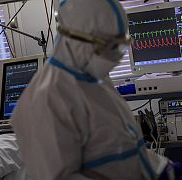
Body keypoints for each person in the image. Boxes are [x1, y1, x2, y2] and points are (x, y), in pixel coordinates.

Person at [11, 0, 169, 179]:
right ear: (73, 38)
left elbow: (126, 149)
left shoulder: (96, 77)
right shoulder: (46, 99)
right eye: (107, 47)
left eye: (120, 46)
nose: (115, 58)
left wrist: (163, 168)